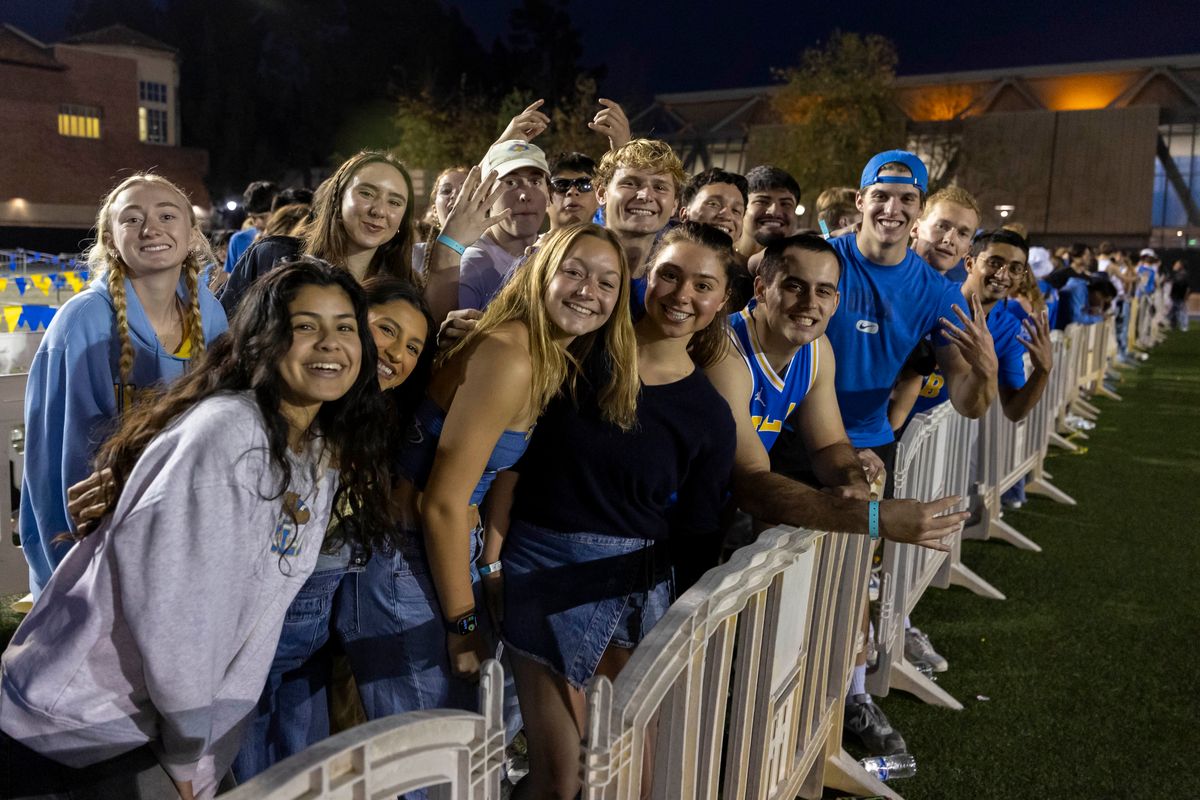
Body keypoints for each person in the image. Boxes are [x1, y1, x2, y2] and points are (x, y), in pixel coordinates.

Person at [0, 257, 392, 800]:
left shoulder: (314, 448)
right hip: (84, 733)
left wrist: (203, 745)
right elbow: (178, 614)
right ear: (264, 340)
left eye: (344, 327)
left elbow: (252, 613)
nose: (330, 343)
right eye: (306, 326)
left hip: (168, 730)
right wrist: (187, 754)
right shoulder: (227, 437)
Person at [497, 222, 737, 799]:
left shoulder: (709, 414)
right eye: (671, 275)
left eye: (704, 285)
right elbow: (509, 462)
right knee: (563, 777)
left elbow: (700, 533)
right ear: (646, 277)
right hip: (545, 571)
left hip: (639, 590)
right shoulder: (574, 351)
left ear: (722, 301)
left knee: (626, 777)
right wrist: (489, 563)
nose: (683, 296)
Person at [769, 149, 997, 757]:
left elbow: (970, 402)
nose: (892, 209)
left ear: (916, 211)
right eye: (882, 194)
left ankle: (850, 699)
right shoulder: (825, 257)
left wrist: (985, 372)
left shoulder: (934, 291)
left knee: (852, 587)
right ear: (862, 197)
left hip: (865, 448)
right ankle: (765, 703)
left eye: (905, 199)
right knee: (766, 576)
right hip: (784, 436)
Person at [399, 223, 639, 690]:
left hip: (442, 555)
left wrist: (486, 564)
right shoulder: (510, 355)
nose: (588, 291)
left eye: (607, 283)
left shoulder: (545, 353)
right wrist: (462, 629)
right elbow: (442, 504)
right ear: (541, 273)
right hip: (407, 560)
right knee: (439, 750)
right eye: (574, 272)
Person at [231, 276, 436, 782]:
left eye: (413, 347)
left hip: (319, 620)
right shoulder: (285, 404)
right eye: (385, 330)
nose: (397, 353)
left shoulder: (369, 415)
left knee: (303, 767)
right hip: (265, 615)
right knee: (252, 764)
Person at [19, 173, 229, 597]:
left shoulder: (211, 316)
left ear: (191, 235)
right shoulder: (81, 324)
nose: (151, 228)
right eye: (132, 219)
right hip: (100, 565)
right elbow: (56, 468)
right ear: (112, 240)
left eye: (167, 215)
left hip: (188, 554)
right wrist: (68, 576)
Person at [220, 150, 418, 314]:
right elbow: (214, 337)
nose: (379, 211)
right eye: (366, 193)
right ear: (337, 199)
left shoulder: (405, 292)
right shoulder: (270, 258)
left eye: (394, 202)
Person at [891, 229, 1052, 428]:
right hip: (877, 422)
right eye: (994, 263)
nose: (1003, 275)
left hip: (923, 441)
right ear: (969, 263)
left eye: (1015, 268)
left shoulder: (1008, 328)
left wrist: (1042, 372)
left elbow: (1014, 410)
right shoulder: (932, 298)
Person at [455, 140, 551, 313]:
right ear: (485, 196)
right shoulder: (472, 267)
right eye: (511, 183)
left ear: (549, 195)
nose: (525, 195)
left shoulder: (555, 256)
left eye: (535, 182)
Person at [678, 167, 751, 307]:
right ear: (684, 213)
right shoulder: (651, 263)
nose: (727, 215)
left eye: (736, 210)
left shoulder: (747, 286)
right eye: (713, 204)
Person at [734, 165, 801, 266]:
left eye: (785, 204)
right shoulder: (716, 261)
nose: (775, 211)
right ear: (741, 208)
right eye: (762, 202)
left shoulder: (802, 269)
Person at [910, 185, 981, 279]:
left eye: (962, 233)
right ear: (915, 228)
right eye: (941, 226)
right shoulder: (885, 273)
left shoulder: (954, 293)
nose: (949, 239)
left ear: (967, 250)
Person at [414, 165, 471, 271]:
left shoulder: (493, 254)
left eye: (464, 189)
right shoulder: (415, 256)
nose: (455, 195)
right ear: (435, 211)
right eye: (446, 190)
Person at [548, 152, 599, 230]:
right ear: (545, 198)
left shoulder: (614, 242)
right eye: (561, 185)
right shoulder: (528, 242)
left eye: (584, 184)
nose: (572, 191)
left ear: (599, 195)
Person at [1168, 260, 1190, 331]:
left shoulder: (1182, 274)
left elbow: (1186, 287)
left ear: (1180, 266)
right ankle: (1173, 326)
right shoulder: (1177, 274)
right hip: (1175, 296)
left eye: (1176, 264)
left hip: (1179, 296)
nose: (1174, 266)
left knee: (1181, 311)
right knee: (1173, 312)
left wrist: (1185, 296)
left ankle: (1184, 326)